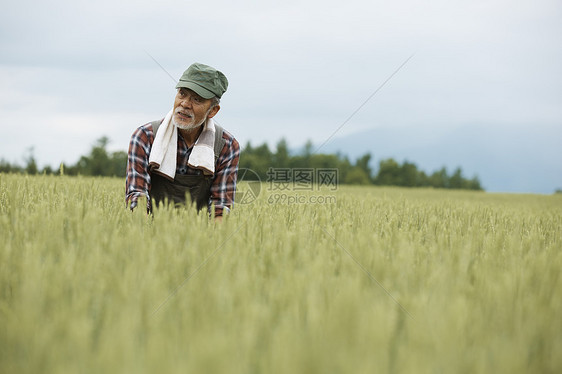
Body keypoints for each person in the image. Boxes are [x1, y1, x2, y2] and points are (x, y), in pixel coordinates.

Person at [125, 62, 240, 219]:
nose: (185, 104)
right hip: (148, 233)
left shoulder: (226, 146)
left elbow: (220, 210)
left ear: (213, 110)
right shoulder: (145, 137)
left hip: (200, 238)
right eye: (182, 94)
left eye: (197, 99)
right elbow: (136, 199)